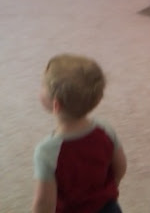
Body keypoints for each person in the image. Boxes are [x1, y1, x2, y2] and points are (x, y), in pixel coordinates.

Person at [32, 54, 127, 213]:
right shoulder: (105, 129)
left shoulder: (46, 151)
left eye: (42, 85)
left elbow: (44, 203)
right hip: (107, 208)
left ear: (56, 105)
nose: (39, 88)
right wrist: (109, 190)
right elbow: (121, 166)